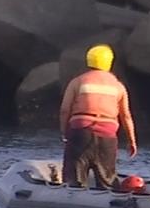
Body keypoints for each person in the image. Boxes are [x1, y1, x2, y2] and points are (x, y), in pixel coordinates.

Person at [59, 44, 138, 188]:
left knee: (74, 178)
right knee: (106, 179)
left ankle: (74, 195)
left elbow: (65, 110)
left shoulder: (78, 82)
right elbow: (126, 116)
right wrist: (131, 140)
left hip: (80, 133)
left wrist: (65, 132)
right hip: (107, 136)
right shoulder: (118, 86)